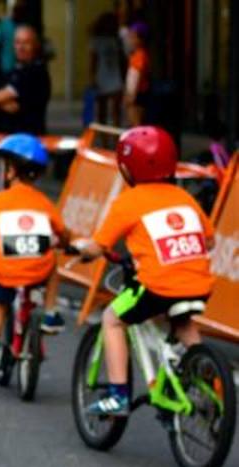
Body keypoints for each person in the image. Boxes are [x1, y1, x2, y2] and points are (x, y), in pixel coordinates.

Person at [73, 127, 214, 417]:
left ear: (127, 168)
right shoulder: (184, 198)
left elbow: (99, 246)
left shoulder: (128, 202)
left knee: (112, 319)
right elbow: (209, 239)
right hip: (199, 284)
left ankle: (118, 396)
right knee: (183, 323)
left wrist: (83, 251)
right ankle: (209, 379)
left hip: (156, 285)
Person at [0, 134, 70, 371]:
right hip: (38, 271)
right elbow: (63, 232)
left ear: (11, 171)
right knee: (54, 263)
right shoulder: (45, 203)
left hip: (7, 272)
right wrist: (66, 243)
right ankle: (50, 313)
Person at [0, 25, 49, 135]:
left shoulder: (34, 71)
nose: (21, 47)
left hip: (25, 142)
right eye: (17, 42)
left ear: (35, 45)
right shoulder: (16, 70)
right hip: (6, 140)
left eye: (26, 43)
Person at [89, 12, 123, 127]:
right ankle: (106, 139)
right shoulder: (97, 41)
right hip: (103, 76)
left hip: (114, 76)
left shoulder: (117, 39)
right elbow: (93, 61)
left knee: (115, 111)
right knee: (103, 111)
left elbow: (121, 59)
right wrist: (93, 78)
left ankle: (115, 137)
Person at [123, 23, 149, 127]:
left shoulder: (140, 55)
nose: (130, 40)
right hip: (135, 93)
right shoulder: (136, 54)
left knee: (136, 123)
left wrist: (131, 95)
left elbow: (136, 76)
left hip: (138, 93)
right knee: (133, 122)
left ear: (140, 39)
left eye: (132, 37)